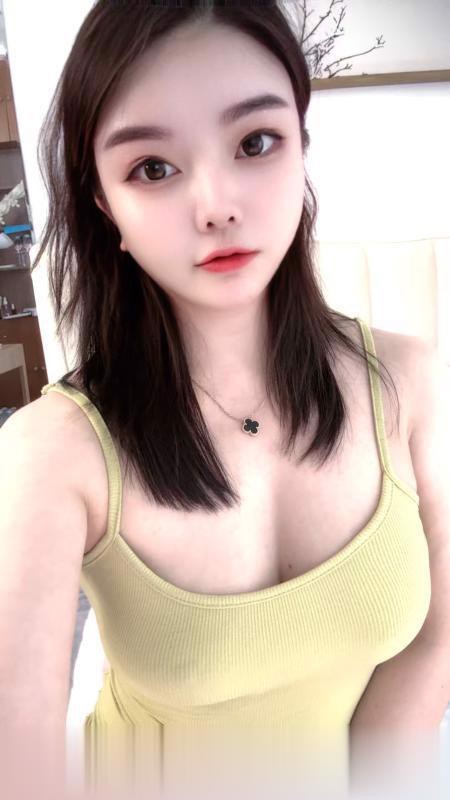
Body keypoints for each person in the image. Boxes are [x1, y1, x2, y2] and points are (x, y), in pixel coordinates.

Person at [1, 2, 448, 799]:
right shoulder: (54, 449)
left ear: (301, 148)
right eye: (153, 168)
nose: (215, 204)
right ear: (106, 208)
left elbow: (434, 639)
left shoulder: (410, 382)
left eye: (255, 142)